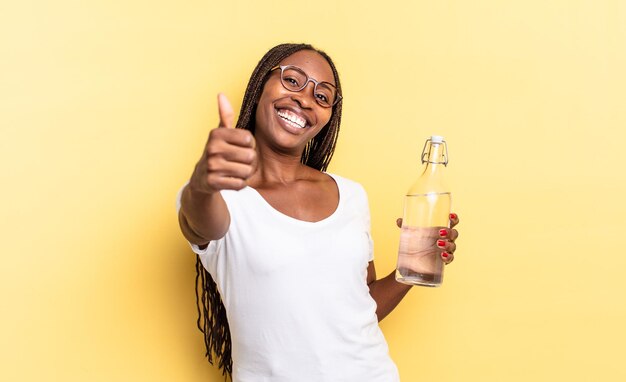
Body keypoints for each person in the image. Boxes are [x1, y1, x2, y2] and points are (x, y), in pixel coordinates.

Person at [176, 43, 460, 382]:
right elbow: (199, 221)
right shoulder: (219, 196)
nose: (306, 99)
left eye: (322, 97)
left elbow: (360, 305)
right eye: (292, 81)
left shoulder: (351, 195)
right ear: (260, 85)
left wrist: (413, 266)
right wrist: (205, 179)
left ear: (327, 118)